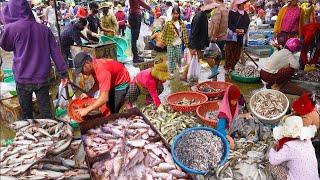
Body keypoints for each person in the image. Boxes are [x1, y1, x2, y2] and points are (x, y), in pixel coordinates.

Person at [0, 0, 68, 119]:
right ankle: (50, 134)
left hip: (22, 78)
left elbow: (6, 46)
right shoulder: (44, 29)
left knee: (26, 114)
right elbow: (56, 53)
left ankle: (29, 133)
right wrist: (63, 74)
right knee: (46, 113)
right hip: (42, 78)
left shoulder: (12, 28)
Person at [268, 116, 318, 180]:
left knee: (271, 165)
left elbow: (272, 160)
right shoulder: (308, 141)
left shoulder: (289, 146)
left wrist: (272, 147)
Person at [224, 0, 250, 72]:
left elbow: (247, 24)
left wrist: (243, 31)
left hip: (240, 37)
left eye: (244, 4)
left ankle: (232, 67)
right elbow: (229, 23)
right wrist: (236, 30)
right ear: (238, 5)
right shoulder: (232, 13)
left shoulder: (245, 14)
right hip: (231, 37)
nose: (243, 5)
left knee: (237, 54)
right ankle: (227, 68)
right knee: (229, 53)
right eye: (242, 4)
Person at [161, 6, 189, 75]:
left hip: (178, 43)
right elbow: (164, 33)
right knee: (171, 57)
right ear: (172, 14)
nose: (175, 15)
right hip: (170, 43)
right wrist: (162, 42)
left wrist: (187, 44)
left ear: (179, 14)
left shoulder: (181, 23)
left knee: (179, 56)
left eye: (177, 13)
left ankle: (179, 66)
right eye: (174, 13)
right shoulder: (168, 23)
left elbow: (184, 34)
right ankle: (171, 71)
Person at [207, 0, 229, 78]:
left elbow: (216, 25)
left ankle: (214, 72)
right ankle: (214, 77)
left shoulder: (217, 9)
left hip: (217, 38)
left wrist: (213, 38)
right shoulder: (225, 8)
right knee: (218, 57)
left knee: (207, 55)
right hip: (223, 37)